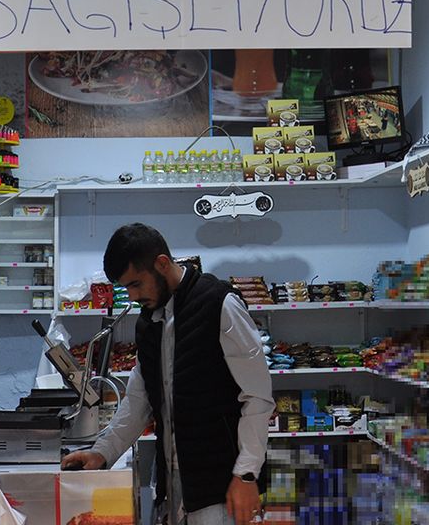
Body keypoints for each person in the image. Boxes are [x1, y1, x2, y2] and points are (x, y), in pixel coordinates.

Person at [61, 223, 274, 525]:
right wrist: (103, 452)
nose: (132, 296)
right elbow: (140, 399)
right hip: (173, 485)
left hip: (223, 488)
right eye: (126, 288)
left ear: (162, 263)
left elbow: (257, 397)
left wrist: (247, 474)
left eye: (136, 284)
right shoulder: (149, 322)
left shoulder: (219, 304)